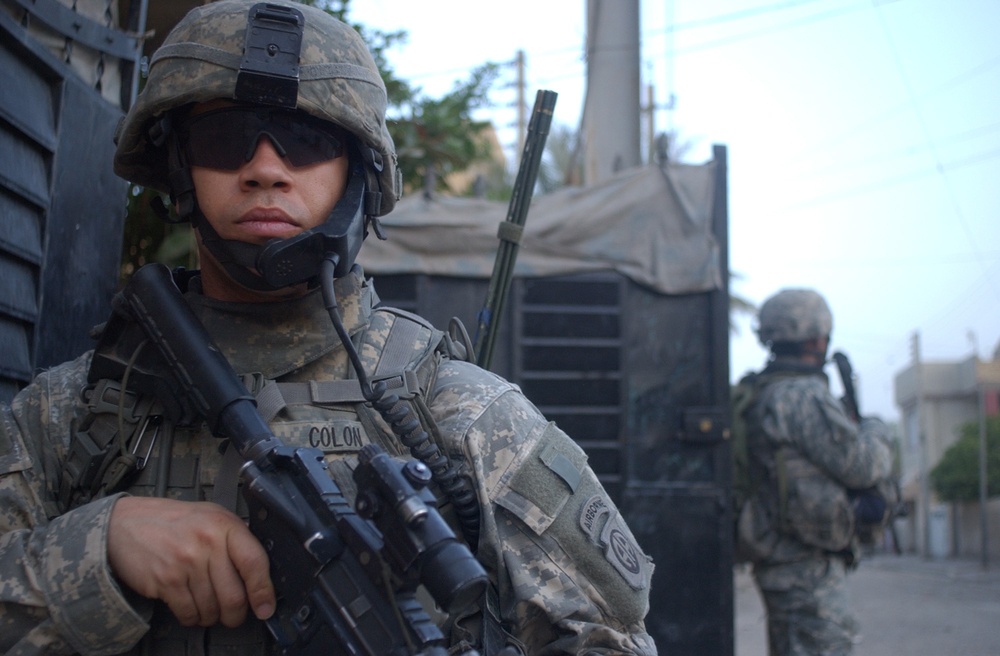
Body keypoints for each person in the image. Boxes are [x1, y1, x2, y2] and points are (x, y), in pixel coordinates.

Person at [0, 1, 656, 654]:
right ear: (180, 168)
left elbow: (613, 640)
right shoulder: (72, 415)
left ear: (357, 173)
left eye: (305, 140)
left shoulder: (467, 417)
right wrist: (98, 549)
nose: (264, 169)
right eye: (227, 139)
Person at [735, 288, 894, 656]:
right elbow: (861, 466)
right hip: (804, 565)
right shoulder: (802, 394)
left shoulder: (766, 391)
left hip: (784, 556)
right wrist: (876, 430)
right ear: (817, 336)